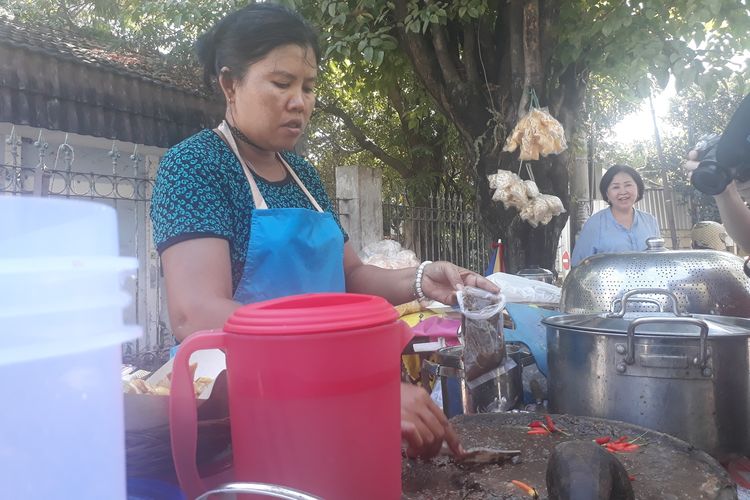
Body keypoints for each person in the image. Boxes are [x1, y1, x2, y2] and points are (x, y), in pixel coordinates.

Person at [150, 3, 499, 460]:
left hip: (322, 401)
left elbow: (350, 276)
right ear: (229, 83)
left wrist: (422, 278)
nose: (300, 101)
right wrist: (345, 383)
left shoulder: (304, 176)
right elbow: (195, 313)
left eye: (309, 87)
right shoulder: (196, 166)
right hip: (238, 414)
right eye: (281, 83)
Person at [571, 164, 661, 266]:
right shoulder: (594, 225)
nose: (623, 192)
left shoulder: (650, 221)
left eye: (628, 185)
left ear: (638, 188)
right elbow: (578, 266)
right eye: (615, 187)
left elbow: (658, 259)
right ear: (607, 194)